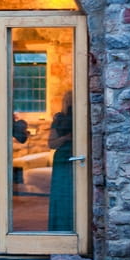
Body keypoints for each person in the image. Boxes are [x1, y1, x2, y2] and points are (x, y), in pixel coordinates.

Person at [48, 90, 74, 231]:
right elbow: (51, 144)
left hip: (74, 157)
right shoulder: (59, 118)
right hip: (63, 158)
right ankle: (61, 230)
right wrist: (66, 138)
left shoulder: (82, 116)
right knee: (62, 194)